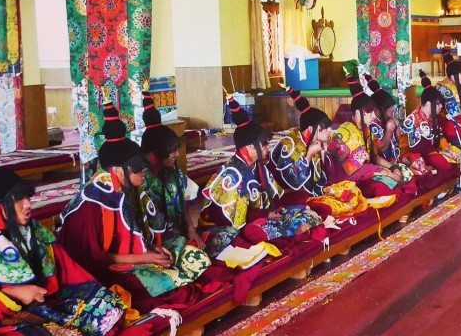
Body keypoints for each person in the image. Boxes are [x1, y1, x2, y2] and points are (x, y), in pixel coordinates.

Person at [0, 136, 132, 336]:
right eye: (18, 199)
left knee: (106, 305)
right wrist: (11, 293)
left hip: (44, 304)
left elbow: (68, 270)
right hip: (0, 320)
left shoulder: (32, 231)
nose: (28, 204)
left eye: (27, 197)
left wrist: (92, 291)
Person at [59, 104, 211, 307]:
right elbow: (94, 259)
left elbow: (145, 232)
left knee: (195, 257)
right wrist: (145, 258)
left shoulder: (134, 190)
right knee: (172, 287)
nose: (144, 172)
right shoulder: (92, 203)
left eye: (144, 166)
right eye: (138, 168)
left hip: (136, 257)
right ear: (118, 171)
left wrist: (156, 250)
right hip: (103, 271)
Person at [200, 98, 326, 255]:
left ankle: (282, 238)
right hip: (232, 228)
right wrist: (266, 215)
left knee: (307, 216)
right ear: (251, 147)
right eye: (265, 144)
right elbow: (231, 220)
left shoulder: (258, 167)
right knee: (259, 233)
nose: (268, 148)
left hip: (261, 217)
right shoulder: (232, 175)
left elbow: (275, 199)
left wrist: (293, 207)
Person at [139, 92, 203, 249]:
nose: (177, 154)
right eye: (172, 151)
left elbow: (184, 202)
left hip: (179, 234)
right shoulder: (140, 180)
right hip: (154, 243)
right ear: (156, 152)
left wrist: (190, 228)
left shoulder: (173, 171)